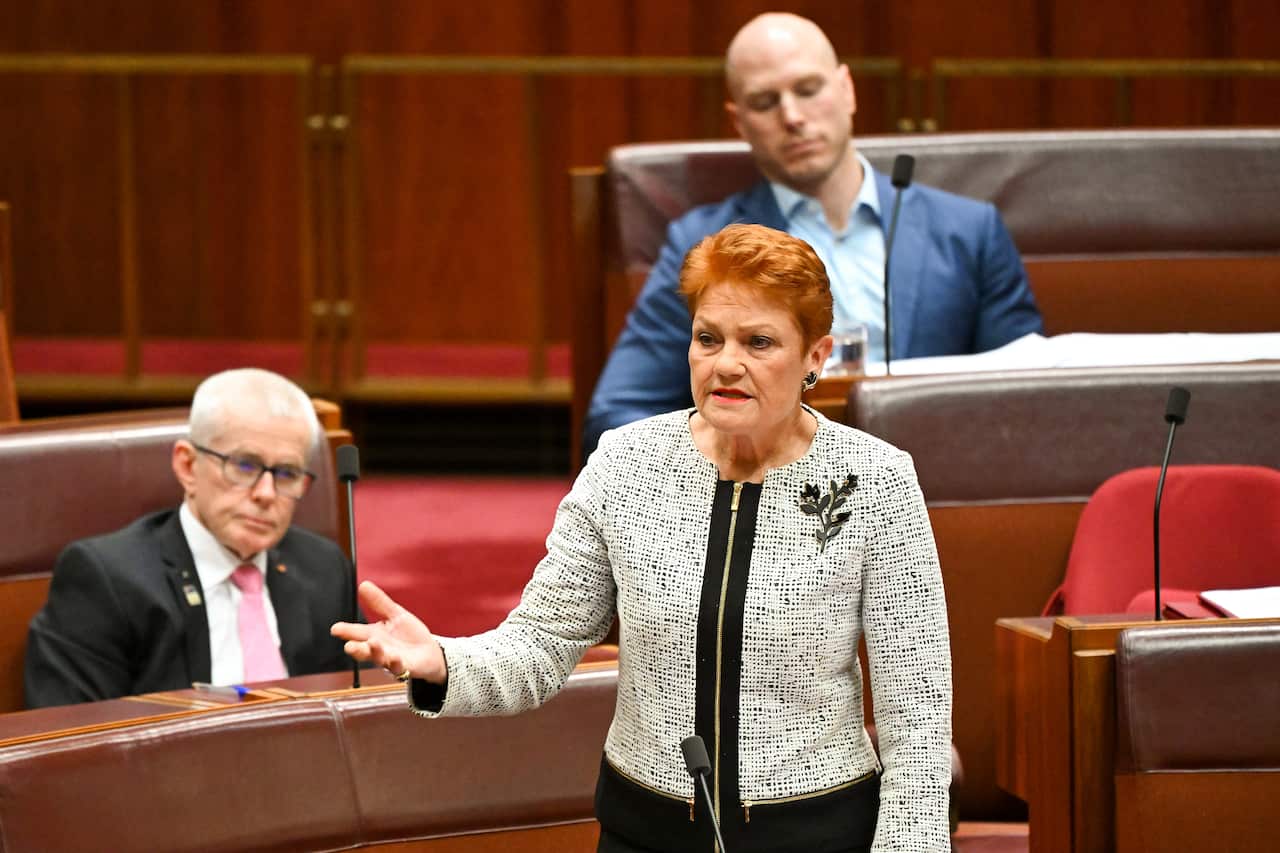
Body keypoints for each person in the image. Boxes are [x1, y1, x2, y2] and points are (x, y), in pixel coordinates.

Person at [334, 224, 952, 853]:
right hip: (645, 832)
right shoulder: (626, 464)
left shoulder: (875, 480)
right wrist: (443, 661)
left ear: (815, 358)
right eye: (708, 338)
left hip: (816, 833)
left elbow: (918, 715)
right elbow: (541, 644)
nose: (726, 364)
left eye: (758, 342)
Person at [584, 11, 1042, 456]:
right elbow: (617, 413)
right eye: (765, 102)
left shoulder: (968, 231)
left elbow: (1030, 399)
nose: (793, 116)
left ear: (846, 90)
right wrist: (725, 462)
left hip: (935, 480)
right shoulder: (708, 244)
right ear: (739, 122)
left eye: (808, 90)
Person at [25, 368, 356, 708]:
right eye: (244, 465)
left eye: (287, 473)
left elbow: (359, 706)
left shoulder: (324, 569)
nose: (266, 493)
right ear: (187, 466)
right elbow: (69, 727)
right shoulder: (107, 581)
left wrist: (394, 673)